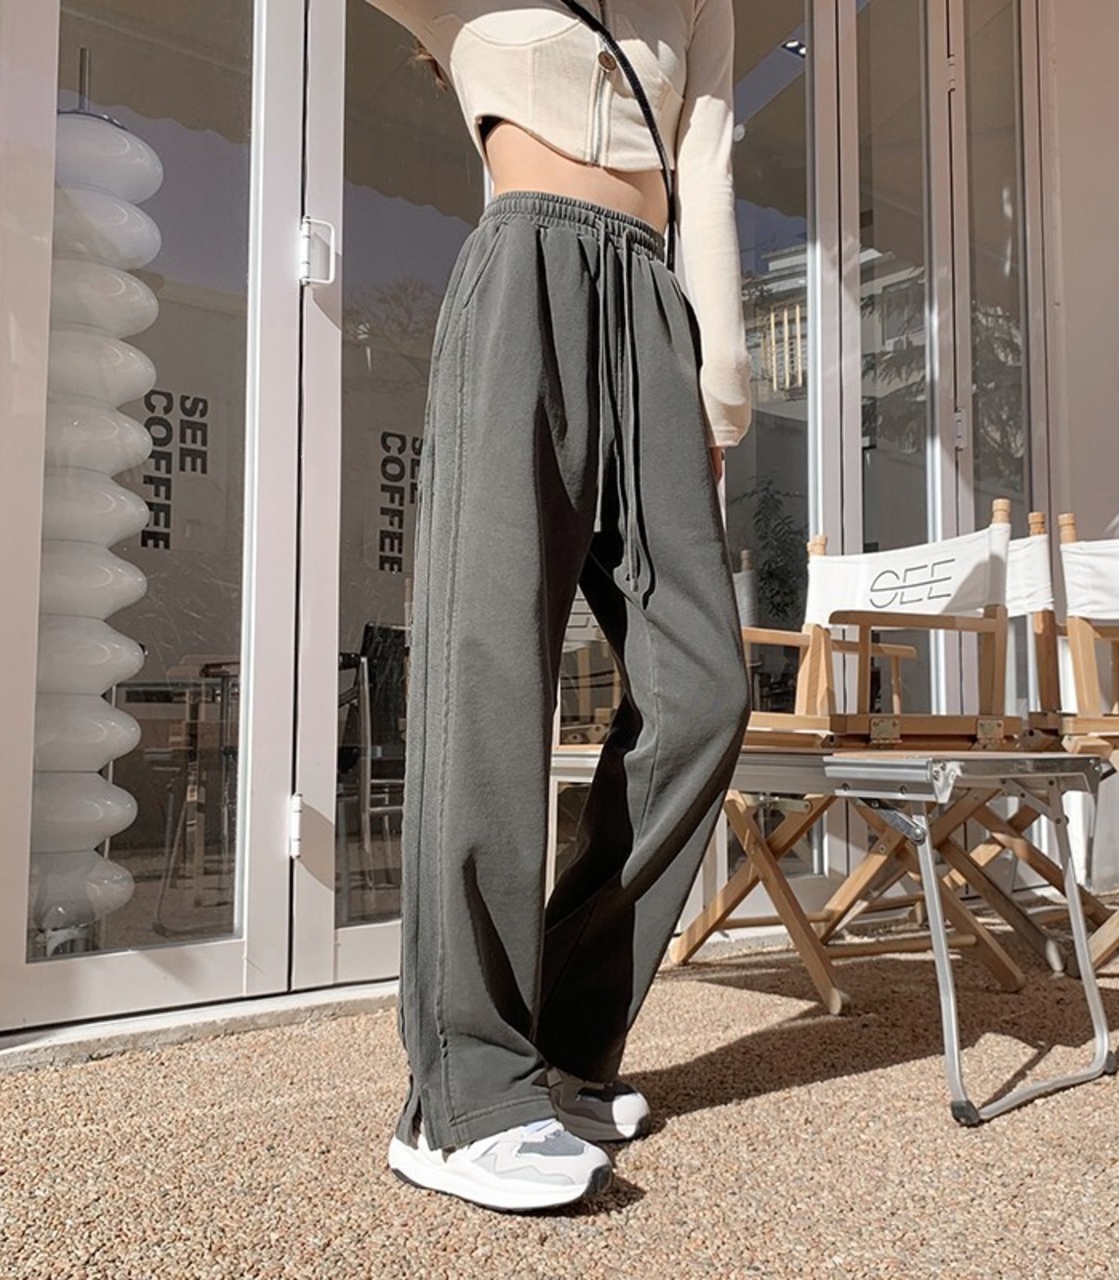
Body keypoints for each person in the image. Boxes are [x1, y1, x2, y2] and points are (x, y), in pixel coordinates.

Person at [362, 0, 753, 1212]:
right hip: (524, 274)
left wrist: (718, 390)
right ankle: (461, 1096)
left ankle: (565, 1045)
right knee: (489, 672)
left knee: (703, 689)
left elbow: (705, 165)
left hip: (653, 306)